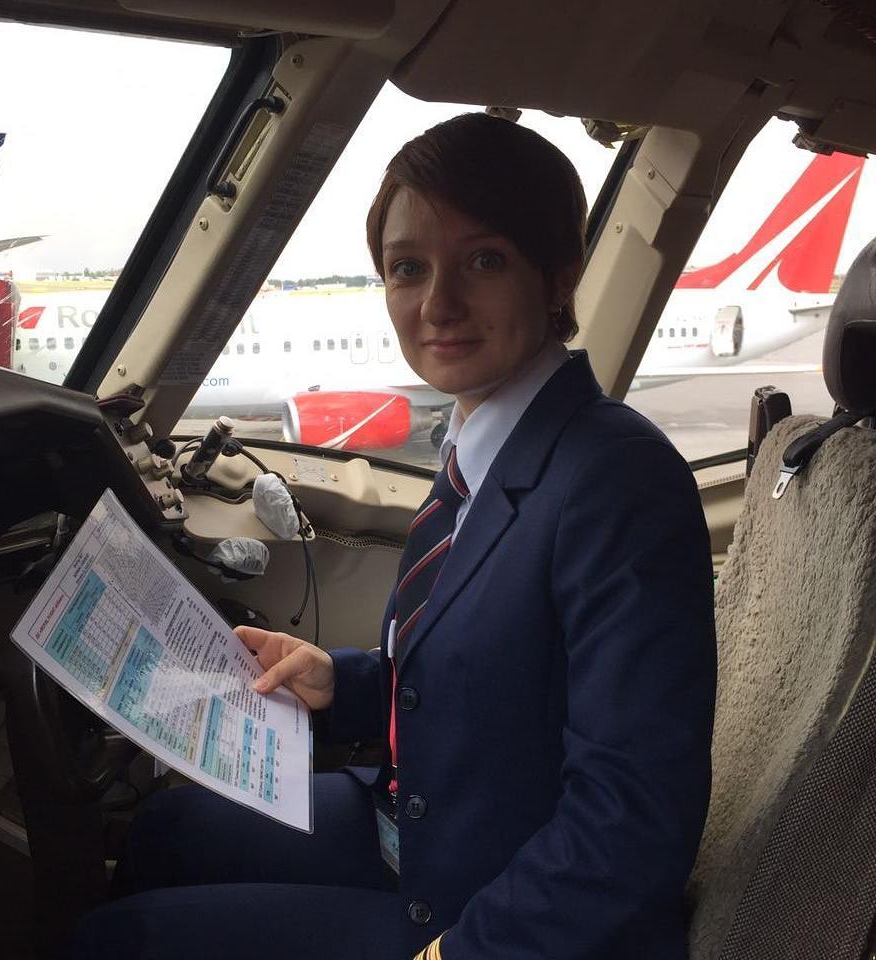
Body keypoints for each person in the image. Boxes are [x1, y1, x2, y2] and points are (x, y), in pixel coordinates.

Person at [69, 113, 716, 960]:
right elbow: (506, 681)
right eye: (408, 268)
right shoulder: (484, 444)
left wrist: (461, 951)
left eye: (484, 260)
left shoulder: (616, 480)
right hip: (424, 826)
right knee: (166, 830)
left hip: (495, 904)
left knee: (118, 941)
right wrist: (342, 683)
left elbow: (634, 820)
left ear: (561, 276)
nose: (437, 305)